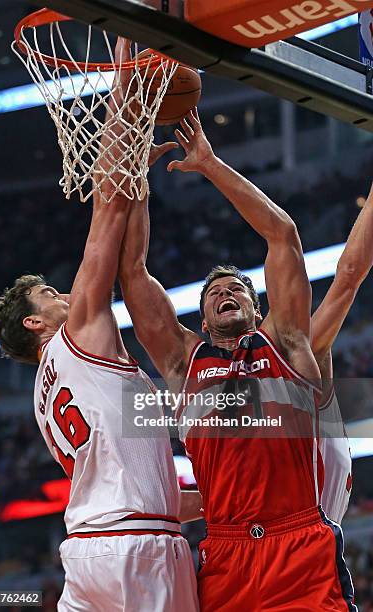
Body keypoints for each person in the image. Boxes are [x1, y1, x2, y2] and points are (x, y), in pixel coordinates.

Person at [0, 39, 199, 612]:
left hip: (90, 549)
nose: (63, 293)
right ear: (36, 322)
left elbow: (131, 480)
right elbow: (105, 217)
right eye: (48, 294)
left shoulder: (45, 391)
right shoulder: (77, 331)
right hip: (138, 550)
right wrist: (127, 99)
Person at [118, 107, 357, 611]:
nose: (227, 292)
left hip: (300, 545)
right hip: (226, 551)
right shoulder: (186, 363)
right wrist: (135, 178)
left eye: (238, 289)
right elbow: (134, 276)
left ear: (256, 308)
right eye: (215, 293)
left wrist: (209, 164)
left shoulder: (287, 342)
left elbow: (282, 236)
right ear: (203, 320)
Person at [312, 182, 373, 524]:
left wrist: (212, 166)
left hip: (309, 538)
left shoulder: (297, 354)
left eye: (234, 288)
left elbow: (349, 275)